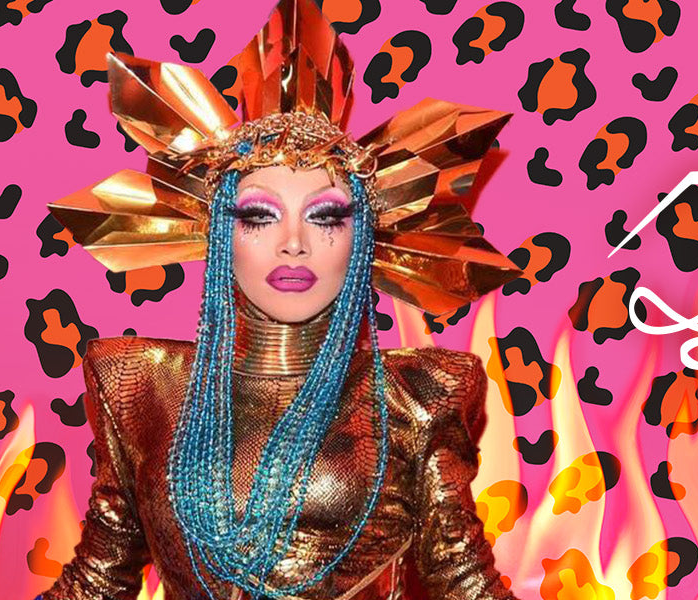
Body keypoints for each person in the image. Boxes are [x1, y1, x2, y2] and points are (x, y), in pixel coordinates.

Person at [36, 0, 523, 598]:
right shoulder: (134, 383)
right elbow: (99, 574)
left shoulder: (424, 393)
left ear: (365, 238)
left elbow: (462, 578)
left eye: (327, 217)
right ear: (218, 230)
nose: (294, 243)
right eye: (259, 215)